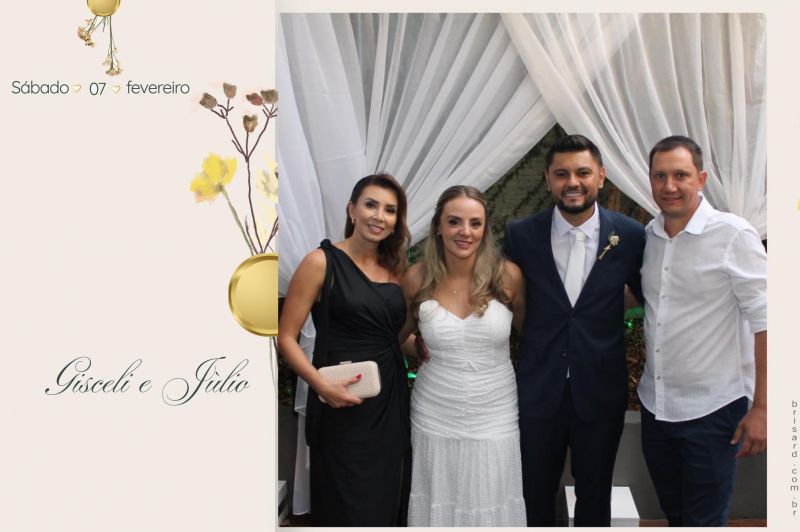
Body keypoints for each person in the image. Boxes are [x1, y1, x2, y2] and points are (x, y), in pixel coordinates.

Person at [503, 134, 646, 526]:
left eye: (583, 172)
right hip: (538, 389)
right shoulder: (520, 236)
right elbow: (504, 298)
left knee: (595, 494)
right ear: (548, 180)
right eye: (561, 174)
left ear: (601, 176)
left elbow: (648, 293)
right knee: (534, 492)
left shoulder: (630, 236)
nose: (572, 182)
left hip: (600, 389)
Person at [639, 135, 767, 526]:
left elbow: (768, 321)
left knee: (704, 522)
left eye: (680, 175)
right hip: (656, 408)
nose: (669, 186)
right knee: (675, 516)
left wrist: (763, 408)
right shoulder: (650, 235)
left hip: (712, 412)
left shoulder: (733, 235)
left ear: (701, 179)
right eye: (660, 176)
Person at [277, 174, 412, 526]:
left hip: (390, 402)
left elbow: (391, 336)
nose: (379, 216)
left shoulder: (395, 270)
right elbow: (286, 337)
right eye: (371, 205)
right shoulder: (321, 262)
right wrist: (320, 385)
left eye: (390, 210)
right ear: (352, 210)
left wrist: (430, 346)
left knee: (384, 499)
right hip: (340, 401)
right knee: (345, 503)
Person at [399, 185, 527, 526]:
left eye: (475, 223)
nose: (465, 232)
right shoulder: (416, 278)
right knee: (437, 495)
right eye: (454, 221)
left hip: (495, 410)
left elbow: (531, 340)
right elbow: (394, 338)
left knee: (492, 494)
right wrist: (414, 346)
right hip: (434, 410)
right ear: (438, 226)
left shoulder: (508, 276)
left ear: (485, 229)